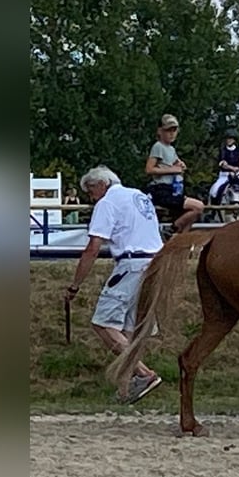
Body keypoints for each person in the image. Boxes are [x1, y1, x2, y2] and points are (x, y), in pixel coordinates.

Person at [64, 165, 164, 404]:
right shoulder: (139, 196)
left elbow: (93, 246)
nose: (91, 198)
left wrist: (76, 284)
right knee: (128, 329)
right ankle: (125, 388)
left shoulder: (107, 203)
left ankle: (145, 373)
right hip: (156, 262)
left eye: (90, 192)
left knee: (103, 323)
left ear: (101, 185)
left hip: (131, 264)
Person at [144, 114, 205, 239]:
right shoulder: (158, 146)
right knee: (198, 207)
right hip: (162, 189)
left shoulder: (171, 149)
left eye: (174, 130)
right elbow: (149, 169)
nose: (171, 134)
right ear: (160, 131)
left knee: (194, 212)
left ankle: (180, 238)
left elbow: (176, 164)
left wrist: (181, 165)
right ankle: (172, 229)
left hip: (173, 188)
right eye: (168, 130)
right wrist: (172, 170)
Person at [207, 128, 239, 205]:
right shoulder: (222, 150)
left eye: (231, 138)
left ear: (234, 140)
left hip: (238, 176)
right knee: (214, 191)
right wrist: (232, 168)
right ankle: (213, 211)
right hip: (225, 176)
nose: (229, 140)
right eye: (228, 138)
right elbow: (223, 163)